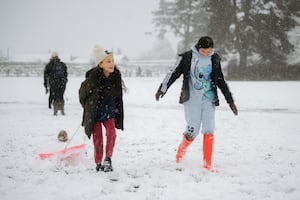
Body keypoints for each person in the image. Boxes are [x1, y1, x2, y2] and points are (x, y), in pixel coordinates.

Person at [155, 36, 238, 171]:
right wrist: (162, 89)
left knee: (209, 129)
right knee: (192, 130)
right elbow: (173, 73)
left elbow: (220, 80)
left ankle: (207, 164)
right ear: (198, 47)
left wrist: (230, 101)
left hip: (209, 100)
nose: (206, 54)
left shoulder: (214, 59)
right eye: (203, 51)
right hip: (191, 100)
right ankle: (180, 155)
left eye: (208, 51)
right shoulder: (187, 57)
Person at [79, 44, 124, 172]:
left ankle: (108, 159)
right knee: (97, 137)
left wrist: (118, 109)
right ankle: (98, 162)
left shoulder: (115, 77)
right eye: (108, 61)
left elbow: (118, 96)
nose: (112, 64)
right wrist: (85, 105)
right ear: (100, 64)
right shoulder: (92, 78)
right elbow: (82, 94)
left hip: (109, 111)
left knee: (111, 133)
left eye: (113, 61)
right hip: (95, 112)